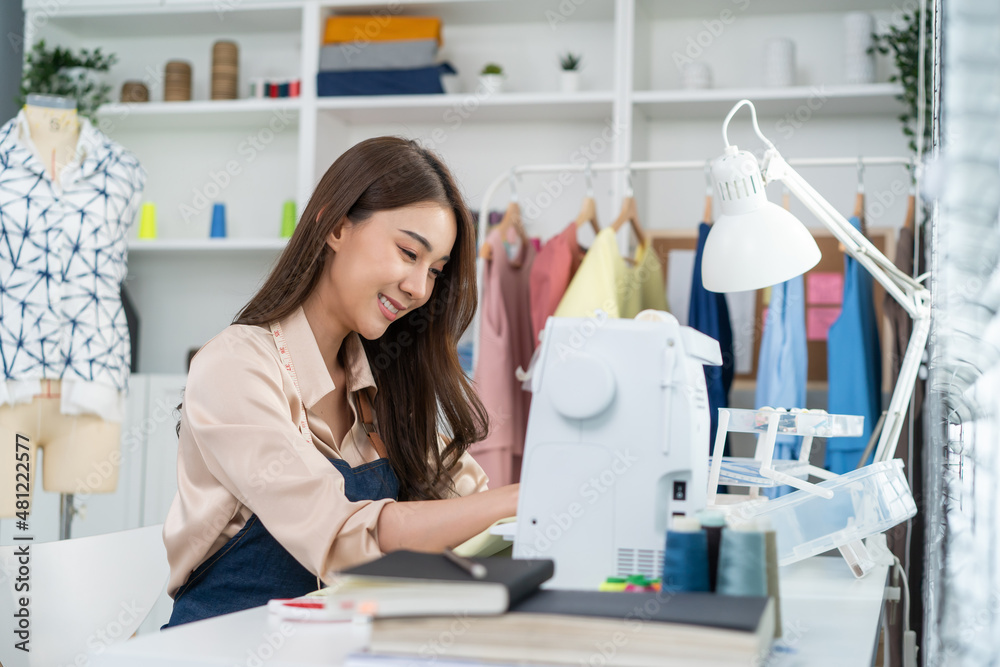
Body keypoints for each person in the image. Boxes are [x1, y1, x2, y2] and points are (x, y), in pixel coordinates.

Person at [162, 137, 517, 627]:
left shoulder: (382, 382)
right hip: (223, 646)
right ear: (335, 226)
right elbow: (342, 538)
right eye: (408, 252)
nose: (419, 288)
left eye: (435, 271)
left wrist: (518, 509)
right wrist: (517, 500)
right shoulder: (237, 366)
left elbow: (469, 503)